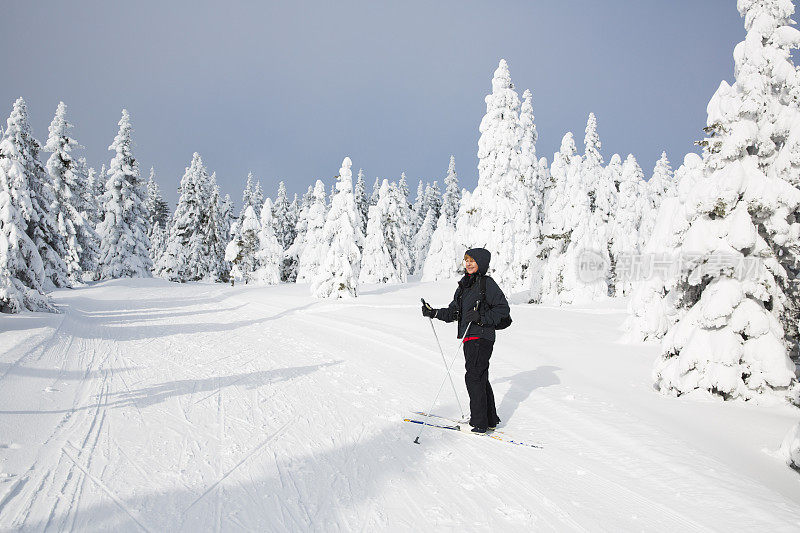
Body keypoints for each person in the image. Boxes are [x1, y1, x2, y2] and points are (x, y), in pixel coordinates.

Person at [421, 248, 510, 433]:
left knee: (473, 377)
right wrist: (434, 312)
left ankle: (479, 423)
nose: (468, 264)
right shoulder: (464, 286)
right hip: (469, 337)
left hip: (482, 336)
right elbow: (454, 311)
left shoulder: (487, 284)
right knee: (480, 377)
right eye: (466, 260)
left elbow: (503, 310)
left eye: (472, 261)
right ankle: (490, 419)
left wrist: (480, 317)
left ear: (481, 263)